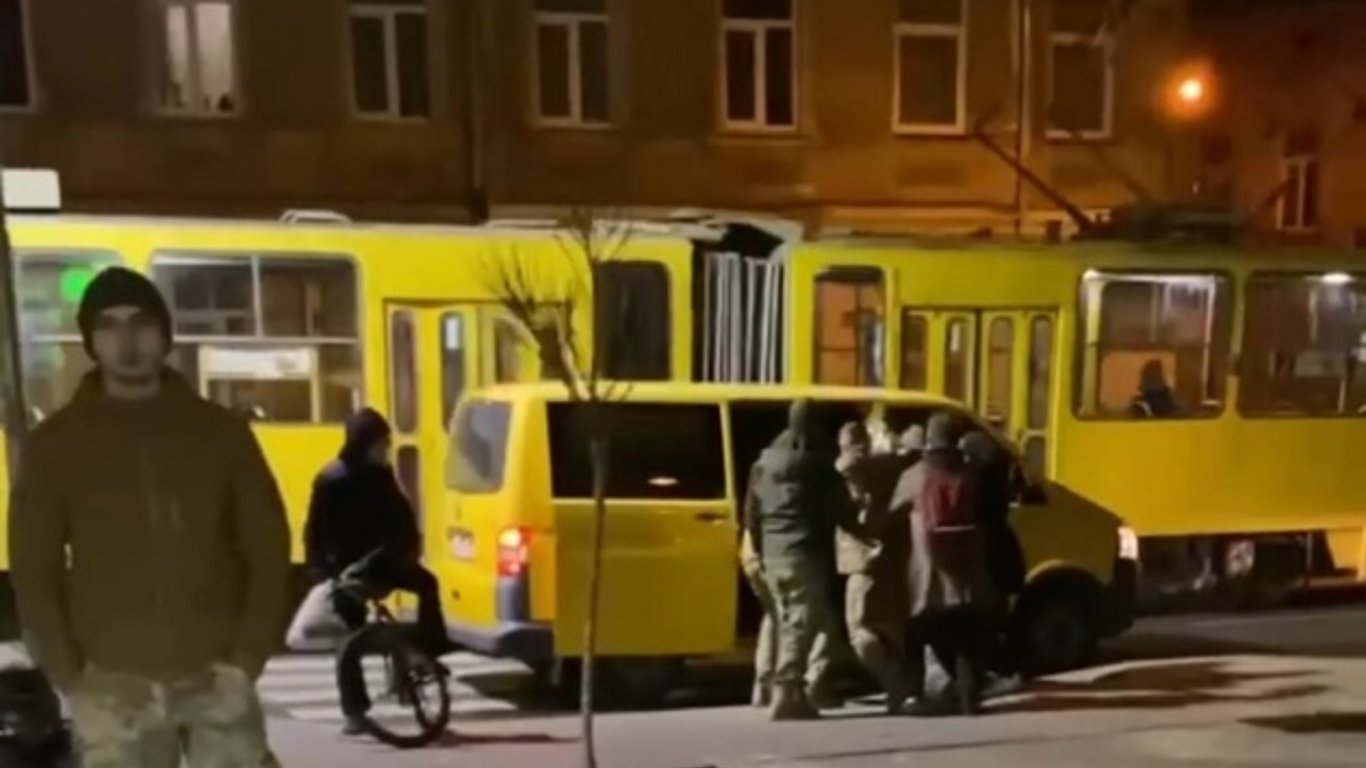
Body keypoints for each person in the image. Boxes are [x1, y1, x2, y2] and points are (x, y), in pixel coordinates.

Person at [9, 267, 290, 767]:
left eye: (141, 322)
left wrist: (247, 659)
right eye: (109, 326)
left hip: (216, 679)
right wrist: (70, 675)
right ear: (91, 341)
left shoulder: (221, 433)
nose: (127, 340)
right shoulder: (57, 444)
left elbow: (268, 547)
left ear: (164, 334)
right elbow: (34, 568)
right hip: (112, 687)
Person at [305, 408, 458, 734]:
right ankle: (354, 711)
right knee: (350, 640)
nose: (385, 450)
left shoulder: (381, 475)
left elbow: (401, 516)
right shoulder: (331, 481)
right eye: (381, 444)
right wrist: (323, 573)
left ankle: (426, 654)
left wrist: (409, 548)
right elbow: (315, 532)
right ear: (363, 445)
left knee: (428, 584)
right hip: (349, 573)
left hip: (384, 564)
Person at [747, 400, 851, 720]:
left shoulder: (763, 463)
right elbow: (841, 510)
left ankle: (775, 688)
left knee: (784, 620)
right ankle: (786, 692)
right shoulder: (817, 465)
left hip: (772, 553)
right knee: (803, 622)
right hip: (804, 551)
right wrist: (867, 530)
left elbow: (752, 513)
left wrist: (761, 548)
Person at [892, 411, 995, 717]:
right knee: (964, 641)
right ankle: (969, 699)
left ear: (929, 440)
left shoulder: (915, 476)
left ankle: (912, 697)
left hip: (926, 578)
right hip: (964, 577)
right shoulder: (970, 475)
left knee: (916, 635)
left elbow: (892, 512)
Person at [834, 421, 914, 714]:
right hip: (891, 559)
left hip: (863, 560)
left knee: (860, 630)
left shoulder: (848, 468)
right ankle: (908, 686)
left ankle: (895, 686)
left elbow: (860, 512)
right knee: (892, 627)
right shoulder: (890, 464)